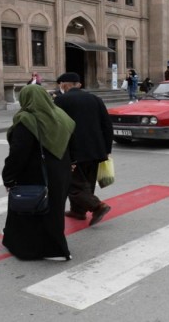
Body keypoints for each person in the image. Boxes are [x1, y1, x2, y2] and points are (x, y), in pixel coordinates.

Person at [1, 84, 76, 261]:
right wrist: (72, 162)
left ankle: (39, 249)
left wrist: (8, 177)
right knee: (54, 211)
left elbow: (18, 153)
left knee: (30, 209)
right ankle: (56, 249)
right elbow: (72, 140)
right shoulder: (60, 114)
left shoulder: (27, 119)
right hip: (61, 172)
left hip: (35, 173)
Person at [54, 72, 113, 226]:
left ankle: (98, 206)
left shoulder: (60, 100)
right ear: (78, 85)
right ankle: (78, 212)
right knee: (87, 182)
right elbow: (107, 125)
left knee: (72, 185)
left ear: (65, 85)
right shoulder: (95, 99)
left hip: (74, 150)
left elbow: (57, 127)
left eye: (61, 84)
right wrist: (106, 149)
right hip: (96, 150)